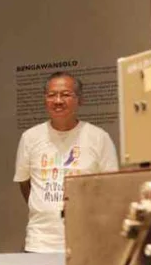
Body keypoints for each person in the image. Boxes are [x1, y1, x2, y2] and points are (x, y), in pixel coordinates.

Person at [14, 71, 118, 253]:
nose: (58, 101)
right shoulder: (30, 137)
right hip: (40, 241)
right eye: (52, 95)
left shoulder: (99, 137)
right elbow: (25, 183)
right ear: (45, 99)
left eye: (65, 94)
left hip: (85, 242)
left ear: (79, 100)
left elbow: (110, 187)